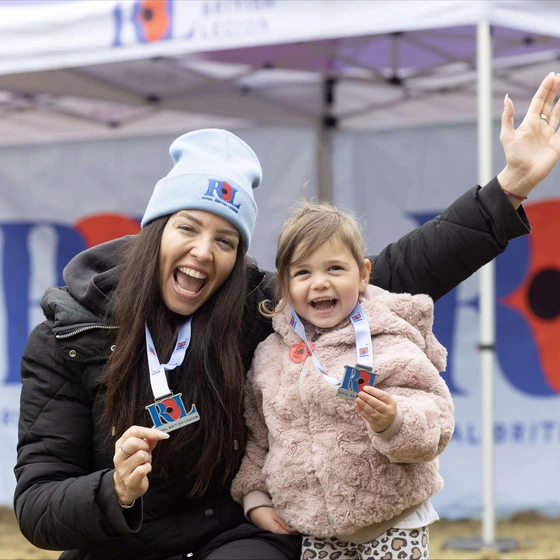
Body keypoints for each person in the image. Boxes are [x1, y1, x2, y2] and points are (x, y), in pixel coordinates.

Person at [13, 73, 560, 560]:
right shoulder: (70, 334)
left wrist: (508, 189)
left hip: (237, 537)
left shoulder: (262, 308)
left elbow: (398, 272)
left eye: (225, 240)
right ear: (153, 234)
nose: (204, 252)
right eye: (186, 228)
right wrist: (114, 489)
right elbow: (38, 506)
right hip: (121, 544)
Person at [231, 201, 453, 560]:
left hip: (394, 521)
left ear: (363, 273)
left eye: (335, 268)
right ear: (283, 282)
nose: (320, 282)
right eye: (302, 273)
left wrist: (394, 422)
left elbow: (436, 418)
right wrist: (256, 498)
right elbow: (259, 438)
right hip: (316, 529)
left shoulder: (389, 338)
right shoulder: (269, 356)